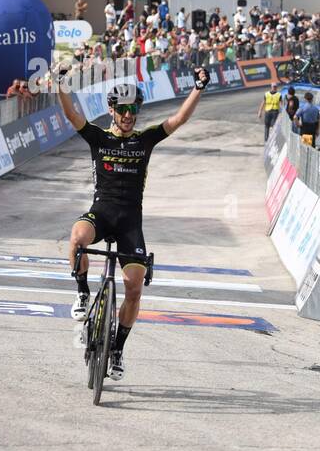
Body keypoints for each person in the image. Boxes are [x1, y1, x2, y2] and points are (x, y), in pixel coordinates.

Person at [58, 65, 210, 381]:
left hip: (130, 223)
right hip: (101, 214)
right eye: (123, 110)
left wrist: (198, 87)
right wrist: (61, 85)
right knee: (76, 238)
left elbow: (179, 119)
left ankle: (117, 350)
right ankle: (83, 292)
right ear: (112, 110)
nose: (129, 115)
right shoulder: (99, 137)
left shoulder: (145, 140)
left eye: (134, 110)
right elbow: (73, 116)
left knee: (134, 288)